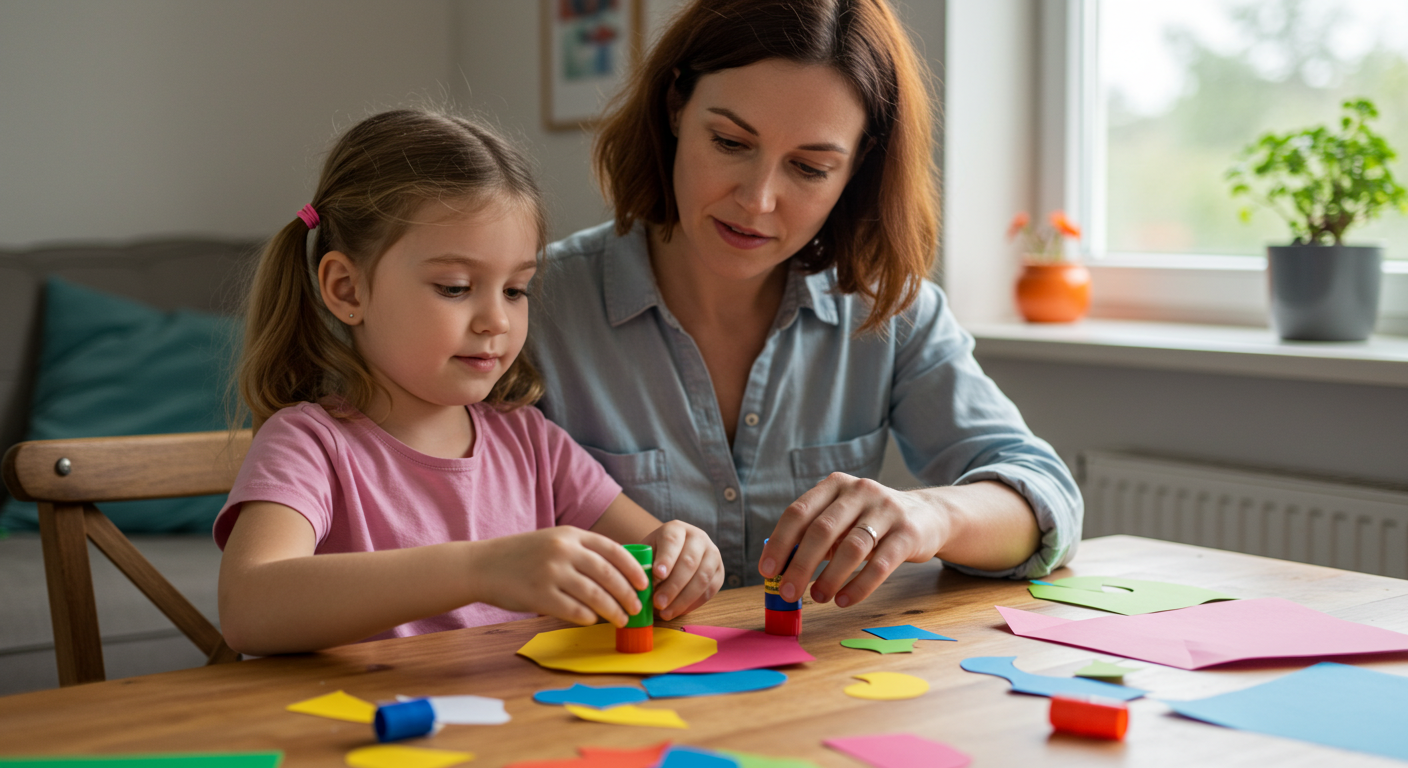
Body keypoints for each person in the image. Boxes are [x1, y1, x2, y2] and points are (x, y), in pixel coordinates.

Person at [532, 0, 1082, 613]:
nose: (758, 200)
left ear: (857, 168)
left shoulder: (890, 312)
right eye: (729, 142)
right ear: (675, 107)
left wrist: (930, 514)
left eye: (810, 167)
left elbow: (1047, 498)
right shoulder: (531, 305)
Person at [215, 109, 722, 656]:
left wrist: (684, 555)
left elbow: (649, 550)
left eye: (515, 290)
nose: (497, 321)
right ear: (347, 289)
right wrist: (480, 569)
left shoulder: (533, 444)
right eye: (455, 287)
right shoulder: (309, 444)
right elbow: (248, 608)